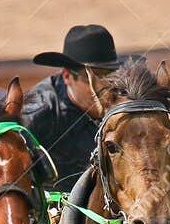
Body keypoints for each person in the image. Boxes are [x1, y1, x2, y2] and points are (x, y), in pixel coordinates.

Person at [24, 23, 122, 188]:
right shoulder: (36, 114)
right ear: (67, 76)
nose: (103, 87)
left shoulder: (125, 105)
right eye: (91, 78)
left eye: (110, 76)